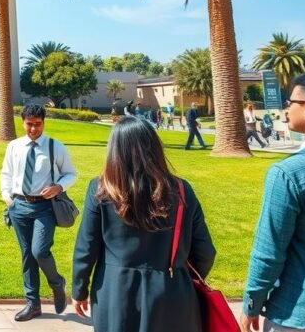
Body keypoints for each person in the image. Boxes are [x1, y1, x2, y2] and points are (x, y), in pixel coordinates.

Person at [72, 117, 217, 331]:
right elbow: (204, 251)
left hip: (115, 292)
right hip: (171, 291)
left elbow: (87, 247)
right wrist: (181, 275)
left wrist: (79, 289)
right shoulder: (181, 189)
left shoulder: (102, 190)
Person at [242, 72, 305, 332]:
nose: (286, 108)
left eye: (290, 102)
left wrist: (252, 303)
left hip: (300, 312)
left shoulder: (290, 172)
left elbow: (269, 250)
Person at [0, 104, 77, 322]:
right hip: (19, 206)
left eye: (38, 124)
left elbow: (71, 173)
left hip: (45, 207)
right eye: (29, 124)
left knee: (40, 251)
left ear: (44, 122)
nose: (33, 129)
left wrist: (58, 187)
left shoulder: (55, 146)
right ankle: (32, 304)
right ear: (22, 122)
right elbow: (6, 172)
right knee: (27, 255)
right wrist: (7, 196)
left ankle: (57, 283)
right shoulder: (14, 146)